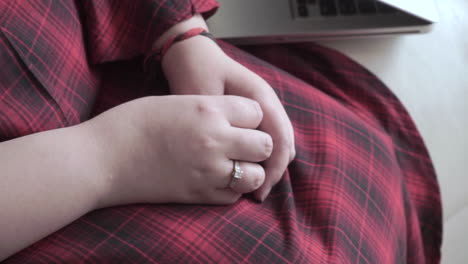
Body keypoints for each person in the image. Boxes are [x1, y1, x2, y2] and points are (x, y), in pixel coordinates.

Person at [0, 0, 441, 263]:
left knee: (364, 158)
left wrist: (178, 32)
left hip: (141, 57)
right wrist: (112, 156)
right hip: (48, 204)